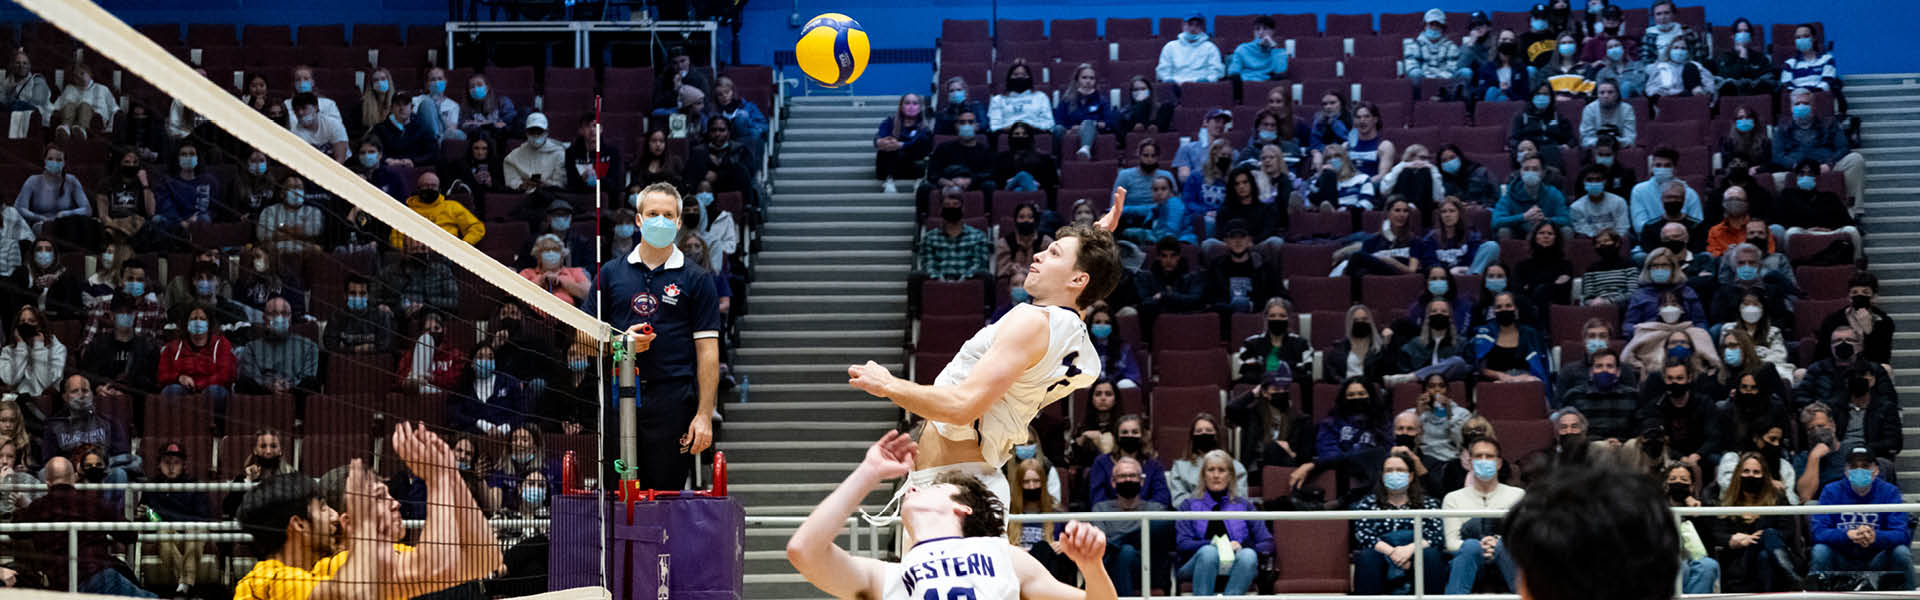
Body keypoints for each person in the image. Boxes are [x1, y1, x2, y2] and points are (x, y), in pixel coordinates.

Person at [786, 431, 1120, 600]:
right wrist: (868, 472)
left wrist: (1092, 568)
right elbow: (804, 551)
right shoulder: (889, 576)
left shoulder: (1005, 556)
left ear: (962, 506)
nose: (912, 489)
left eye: (931, 487)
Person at [234, 425, 502, 599]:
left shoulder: (326, 567)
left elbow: (479, 559)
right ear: (299, 524)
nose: (395, 503)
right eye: (324, 507)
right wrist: (439, 479)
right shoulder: (268, 579)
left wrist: (448, 476)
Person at [593, 183, 722, 488]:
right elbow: (584, 340)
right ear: (638, 220)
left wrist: (704, 415)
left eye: (668, 215)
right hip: (618, 395)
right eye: (652, 213)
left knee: (666, 496)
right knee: (616, 496)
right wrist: (620, 343)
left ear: (678, 222)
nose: (660, 221)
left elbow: (708, 351)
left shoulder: (697, 279)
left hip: (673, 401)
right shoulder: (610, 273)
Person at [14, 457, 149, 596]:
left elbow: (15, 531)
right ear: (73, 478)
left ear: (47, 483)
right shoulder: (91, 502)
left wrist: (23, 507)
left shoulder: (37, 508)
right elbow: (130, 534)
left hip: (61, 586)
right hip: (99, 575)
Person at [1809, 448, 1914, 590]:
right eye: (1853, 466)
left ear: (1876, 470)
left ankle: (1909, 595)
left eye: (1865, 466)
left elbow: (1902, 534)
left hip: (1877, 558)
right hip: (1841, 557)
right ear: (1846, 471)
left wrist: (1875, 536)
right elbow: (1818, 532)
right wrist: (1847, 535)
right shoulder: (1831, 491)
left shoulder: (1889, 491)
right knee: (1820, 551)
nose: (1859, 470)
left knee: (1901, 552)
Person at [1351, 449, 1447, 595]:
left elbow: (1436, 536)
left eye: (1400, 470)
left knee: (1431, 555)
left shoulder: (1428, 503)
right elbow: (1363, 535)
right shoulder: (1367, 504)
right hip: (1381, 555)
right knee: (1366, 557)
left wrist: (1408, 550)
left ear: (1411, 476)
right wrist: (1392, 553)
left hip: (1416, 554)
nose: (1394, 474)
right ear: (1382, 476)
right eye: (1389, 470)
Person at [1441, 437, 1524, 594]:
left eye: (1489, 456)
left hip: (1507, 559)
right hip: (1470, 559)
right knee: (1471, 546)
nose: (1484, 461)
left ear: (1499, 463)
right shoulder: (1452, 498)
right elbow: (1451, 543)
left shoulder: (1518, 495)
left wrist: (1497, 544)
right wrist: (1482, 546)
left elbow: (1523, 538)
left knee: (1505, 545)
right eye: (1479, 456)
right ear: (1470, 463)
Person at [1709, 451, 1801, 592]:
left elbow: (1788, 530)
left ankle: (1786, 574)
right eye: (1746, 471)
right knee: (1767, 536)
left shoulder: (1777, 499)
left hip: (1771, 560)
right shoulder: (1727, 503)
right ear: (1738, 475)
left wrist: (1761, 538)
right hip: (1741, 564)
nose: (1751, 475)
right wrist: (1732, 539)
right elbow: (1716, 534)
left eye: (1756, 472)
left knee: (1765, 552)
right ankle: (1791, 575)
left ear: (1764, 476)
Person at [1088, 455, 1170, 596]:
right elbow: (1103, 546)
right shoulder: (1101, 509)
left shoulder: (1156, 509)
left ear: (1142, 481)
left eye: (1133, 475)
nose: (1128, 480)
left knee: (1125, 549)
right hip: (1110, 567)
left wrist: (1117, 541)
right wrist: (1133, 537)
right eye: (1122, 476)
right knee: (1125, 551)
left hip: (1148, 569)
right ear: (1113, 482)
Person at [1775, 88, 1866, 206]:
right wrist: (1796, 166)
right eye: (1797, 104)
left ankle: (1852, 209)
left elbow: (1843, 148)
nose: (1801, 106)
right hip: (1796, 169)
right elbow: (1777, 155)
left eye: (1806, 103)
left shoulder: (1829, 123)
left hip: (1825, 165)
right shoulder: (1782, 128)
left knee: (1855, 159)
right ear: (1791, 108)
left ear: (1813, 107)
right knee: (1774, 179)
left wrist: (1829, 164)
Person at [236, 297, 319, 395]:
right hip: (263, 393)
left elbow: (308, 377)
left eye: (285, 314)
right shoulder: (251, 347)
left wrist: (289, 385)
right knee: (244, 383)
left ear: (290, 318)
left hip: (295, 394)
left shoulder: (309, 346)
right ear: (264, 318)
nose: (280, 318)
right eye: (274, 314)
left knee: (311, 383)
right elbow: (253, 376)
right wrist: (270, 385)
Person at [1470, 291, 1551, 387]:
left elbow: (1539, 367)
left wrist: (1521, 378)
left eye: (1508, 306)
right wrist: (1501, 376)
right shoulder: (1485, 333)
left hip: (1526, 382)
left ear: (1516, 310)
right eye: (1499, 307)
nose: (1504, 310)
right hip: (1495, 384)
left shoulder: (1530, 334)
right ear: (1494, 311)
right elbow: (1480, 368)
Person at [1087, 414, 1171, 506]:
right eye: (1124, 432)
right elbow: (1097, 500)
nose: (1129, 435)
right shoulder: (1101, 463)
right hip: (1110, 517)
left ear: (1142, 435)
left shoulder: (1154, 465)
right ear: (1117, 436)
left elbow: (1161, 500)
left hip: (1146, 517)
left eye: (1135, 432)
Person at [1168, 413, 1245, 504]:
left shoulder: (1236, 467)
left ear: (1216, 435)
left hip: (1229, 515)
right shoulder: (1179, 467)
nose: (1204, 433)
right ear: (1192, 437)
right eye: (1199, 431)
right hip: (1194, 516)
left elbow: (1241, 499)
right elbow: (1178, 501)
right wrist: (1207, 502)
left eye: (1209, 430)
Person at [1202, 220, 1276, 314]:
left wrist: (1254, 307)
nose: (1238, 241)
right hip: (1225, 318)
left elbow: (1277, 296)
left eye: (1242, 236)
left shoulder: (1263, 266)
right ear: (1226, 241)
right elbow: (1210, 298)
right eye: (1233, 237)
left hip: (1257, 318)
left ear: (1249, 240)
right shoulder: (1216, 266)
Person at [1563, 348, 1638, 441]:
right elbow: (1570, 432)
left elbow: (1637, 432)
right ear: (1591, 372)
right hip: (1588, 449)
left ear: (1618, 372)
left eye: (1609, 366)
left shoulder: (1633, 396)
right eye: (1599, 366)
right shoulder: (1574, 396)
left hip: (1623, 449)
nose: (1604, 370)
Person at [1414, 197, 1501, 276]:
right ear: (1440, 215)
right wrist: (1448, 272)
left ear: (1460, 214)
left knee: (1492, 246)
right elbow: (1429, 263)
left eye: (1452, 211)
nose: (1447, 215)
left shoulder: (1471, 235)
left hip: (1468, 273)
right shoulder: (1431, 238)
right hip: (1443, 278)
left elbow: (1473, 259)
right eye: (1444, 211)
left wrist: (1464, 269)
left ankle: (1472, 280)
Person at [1491, 154, 1568, 240]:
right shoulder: (1509, 194)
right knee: (1503, 231)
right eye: (1526, 169)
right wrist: (1524, 217)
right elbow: (1496, 221)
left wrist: (1544, 220)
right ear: (1520, 172)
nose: (1530, 173)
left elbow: (1566, 219)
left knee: (1566, 230)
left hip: (1547, 234)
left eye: (1535, 169)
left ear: (1543, 172)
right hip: (1519, 235)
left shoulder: (1553, 193)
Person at [1628, 147, 1702, 231]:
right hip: (1651, 240)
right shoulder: (1639, 191)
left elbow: (1697, 225)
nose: (1662, 169)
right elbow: (1639, 226)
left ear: (1675, 168)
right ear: (1652, 167)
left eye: (1667, 166)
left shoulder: (1690, 194)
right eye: (1658, 165)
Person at [926, 111, 994, 200]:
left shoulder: (985, 150)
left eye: (970, 122)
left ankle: (987, 213)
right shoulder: (943, 148)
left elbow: (989, 173)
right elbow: (932, 172)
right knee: (925, 188)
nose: (966, 126)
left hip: (975, 184)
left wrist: (970, 181)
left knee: (989, 185)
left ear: (977, 126)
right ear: (956, 126)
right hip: (948, 184)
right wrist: (944, 181)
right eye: (962, 122)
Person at [0, 304, 64, 398]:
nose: (26, 324)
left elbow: (45, 382)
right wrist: (21, 347)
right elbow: (10, 380)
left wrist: (39, 347)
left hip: (43, 399)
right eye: (22, 321)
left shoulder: (56, 349)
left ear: (40, 325)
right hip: (16, 400)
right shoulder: (8, 351)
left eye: (32, 321)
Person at [874, 93, 933, 194]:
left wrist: (901, 145)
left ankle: (920, 181)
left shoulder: (924, 127)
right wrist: (881, 142)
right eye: (907, 103)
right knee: (887, 146)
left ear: (920, 108)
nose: (911, 106)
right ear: (901, 107)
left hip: (914, 166)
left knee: (922, 142)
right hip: (893, 165)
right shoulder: (890, 122)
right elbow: (879, 137)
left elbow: (920, 144)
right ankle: (889, 180)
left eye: (915, 103)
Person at [1404, 9, 1466, 99]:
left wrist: (1438, 82)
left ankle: (1451, 100)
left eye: (1438, 25)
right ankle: (1418, 102)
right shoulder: (1413, 44)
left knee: (1466, 72)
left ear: (1443, 28)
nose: (1434, 27)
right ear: (1425, 26)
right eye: (1431, 24)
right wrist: (1429, 82)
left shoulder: (1451, 46)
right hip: (1423, 80)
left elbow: (1452, 68)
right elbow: (1411, 67)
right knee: (1415, 73)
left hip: (1445, 83)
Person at [1322, 306, 1387, 383]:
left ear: (1370, 321)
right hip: (1347, 388)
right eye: (1356, 320)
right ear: (1349, 323)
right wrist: (1346, 384)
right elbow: (1331, 376)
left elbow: (1384, 375)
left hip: (1371, 389)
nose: (1360, 322)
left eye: (1364, 319)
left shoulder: (1380, 348)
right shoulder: (1338, 350)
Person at [1157, 13, 1225, 85]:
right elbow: (1163, 70)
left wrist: (1208, 81)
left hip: (1201, 86)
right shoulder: (1170, 46)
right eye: (1190, 24)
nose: (1193, 28)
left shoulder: (1210, 47)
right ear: (1183, 26)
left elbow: (1216, 71)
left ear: (1202, 28)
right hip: (1175, 86)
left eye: (1197, 25)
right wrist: (1168, 80)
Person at [1115, 137, 1176, 217]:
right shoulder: (1124, 175)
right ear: (1139, 155)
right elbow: (1115, 206)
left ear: (1158, 157)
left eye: (1153, 156)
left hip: (1160, 219)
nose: (1149, 159)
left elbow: (1174, 204)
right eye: (1145, 155)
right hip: (1131, 219)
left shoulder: (1166, 176)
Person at [989, 62, 1054, 135]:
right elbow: (994, 126)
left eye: (1024, 75)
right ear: (1009, 78)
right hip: (1008, 135)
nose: (1020, 77)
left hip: (1034, 134)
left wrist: (1030, 127)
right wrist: (1015, 128)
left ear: (1029, 77)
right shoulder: (998, 99)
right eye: (1015, 75)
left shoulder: (1041, 97)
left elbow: (1049, 124)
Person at [1309, 143, 1377, 212]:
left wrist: (1343, 211)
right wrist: (1321, 177)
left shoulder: (1362, 179)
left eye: (1337, 156)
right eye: (1328, 158)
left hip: (1352, 218)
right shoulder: (1321, 180)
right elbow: (1311, 204)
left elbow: (1367, 205)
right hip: (1326, 218)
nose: (1333, 160)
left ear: (1345, 158)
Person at [1643, 39, 1716, 98]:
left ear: (1687, 51)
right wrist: (1676, 93)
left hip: (1692, 100)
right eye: (1676, 48)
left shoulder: (1695, 66)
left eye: (1683, 48)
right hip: (1667, 101)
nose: (1679, 51)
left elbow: (1710, 85)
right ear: (1669, 50)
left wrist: (1704, 92)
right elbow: (1651, 89)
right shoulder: (1661, 67)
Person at [1780, 23, 1840, 95]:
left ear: (1814, 38)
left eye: (1806, 36)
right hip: (1796, 98)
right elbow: (1787, 85)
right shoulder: (1789, 64)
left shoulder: (1826, 59)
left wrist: (1810, 93)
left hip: (1819, 96)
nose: (1802, 40)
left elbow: (1827, 81)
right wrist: (1800, 94)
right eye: (1798, 37)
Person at [458, 73, 519, 142]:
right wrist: (490, 124)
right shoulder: (466, 107)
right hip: (478, 140)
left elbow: (509, 121)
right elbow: (464, 125)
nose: (475, 89)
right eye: (472, 87)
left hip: (500, 137)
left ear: (487, 87)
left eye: (479, 85)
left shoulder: (502, 101)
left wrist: (479, 123)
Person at [1470, 29, 1527, 102]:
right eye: (1504, 39)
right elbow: (1481, 91)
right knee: (1493, 91)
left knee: (1502, 98)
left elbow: (1524, 94)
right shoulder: (1487, 67)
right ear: (1497, 42)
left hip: (1513, 102)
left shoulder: (1520, 68)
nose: (1507, 42)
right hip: (1491, 99)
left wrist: (1507, 91)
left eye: (1511, 40)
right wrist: (1499, 88)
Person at [289, 92, 348, 161]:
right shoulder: (295, 132)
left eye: (304, 108)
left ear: (315, 107)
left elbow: (340, 157)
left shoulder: (333, 124)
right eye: (296, 110)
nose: (300, 113)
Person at [1228, 15, 1289, 83]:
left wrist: (1273, 47)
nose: (1260, 32)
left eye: (1265, 29)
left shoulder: (1278, 52)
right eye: (1257, 29)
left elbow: (1280, 71)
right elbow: (1233, 72)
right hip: (1245, 83)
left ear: (1272, 32)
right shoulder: (1243, 49)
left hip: (1267, 84)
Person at [1577, 81, 1636, 148]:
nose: (1606, 96)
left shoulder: (1627, 109)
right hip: (1595, 150)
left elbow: (1630, 139)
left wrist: (1614, 142)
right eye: (1602, 93)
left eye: (1610, 92)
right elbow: (1585, 140)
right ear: (1597, 95)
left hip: (1620, 149)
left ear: (1617, 95)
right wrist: (1603, 142)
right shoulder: (1589, 109)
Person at [0, 50, 51, 118]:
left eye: (25, 63)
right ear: (12, 65)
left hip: (36, 120)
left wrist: (12, 95)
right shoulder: (7, 82)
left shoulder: (38, 81)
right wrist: (10, 89)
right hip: (10, 119)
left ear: (29, 66)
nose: (21, 66)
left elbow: (35, 105)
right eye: (18, 63)